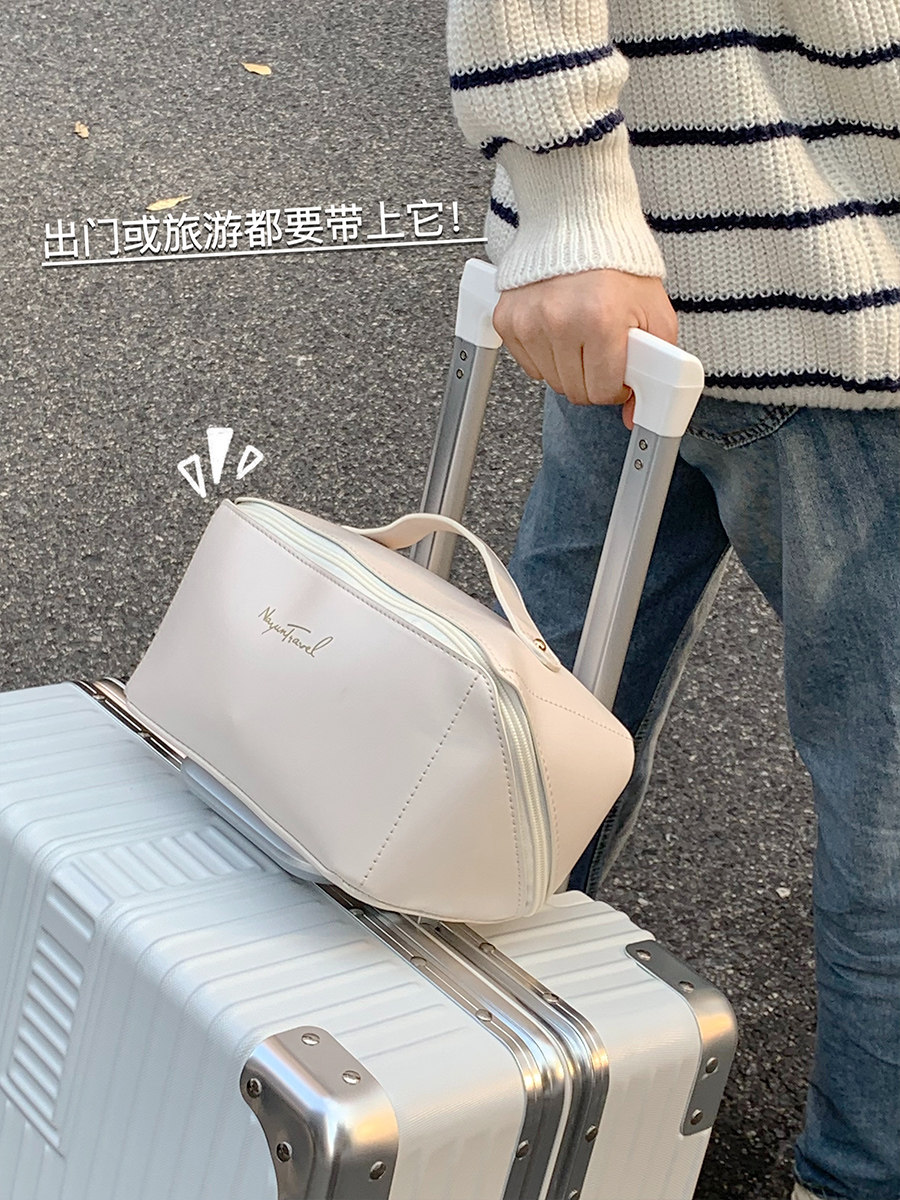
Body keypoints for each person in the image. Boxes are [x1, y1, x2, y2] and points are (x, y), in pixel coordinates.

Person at [446, 3, 900, 1199]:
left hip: (641, 262)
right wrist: (568, 189)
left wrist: (571, 202)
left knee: (536, 720)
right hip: (832, 266)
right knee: (888, 792)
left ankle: (447, 1094)